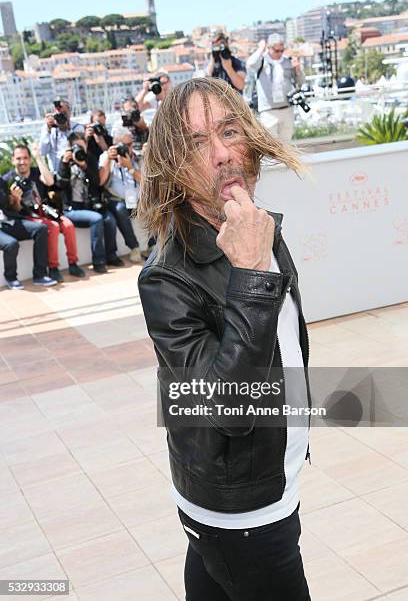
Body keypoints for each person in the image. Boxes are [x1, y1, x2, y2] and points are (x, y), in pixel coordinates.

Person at [137, 77, 311, 601]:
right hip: (242, 508)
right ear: (173, 165)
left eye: (230, 131)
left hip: (262, 472)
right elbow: (228, 408)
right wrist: (252, 273)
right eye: (195, 143)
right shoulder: (166, 277)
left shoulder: (254, 227)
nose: (221, 155)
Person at [2, 144, 84, 283]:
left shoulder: (36, 172)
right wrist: (16, 199)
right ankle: (53, 268)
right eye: (19, 158)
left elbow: (50, 181)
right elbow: (14, 210)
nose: (22, 162)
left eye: (26, 158)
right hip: (27, 216)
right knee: (53, 227)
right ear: (13, 160)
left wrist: (38, 158)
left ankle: (73, 263)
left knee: (68, 225)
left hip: (47, 211)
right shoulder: (7, 179)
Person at [57, 132, 120, 273]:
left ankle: (111, 255)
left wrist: (84, 166)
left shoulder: (89, 159)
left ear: (86, 145)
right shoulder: (65, 161)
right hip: (72, 209)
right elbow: (60, 184)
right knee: (97, 219)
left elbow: (96, 182)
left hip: (90, 206)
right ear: (70, 147)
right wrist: (65, 163)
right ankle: (98, 261)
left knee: (109, 220)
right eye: (76, 147)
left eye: (82, 146)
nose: (79, 150)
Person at [247, 34, 305, 142]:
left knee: (286, 147)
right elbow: (250, 63)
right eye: (276, 50)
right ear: (269, 48)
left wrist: (297, 69)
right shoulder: (261, 61)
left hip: (287, 108)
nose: (280, 53)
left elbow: (300, 82)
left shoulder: (288, 61)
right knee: (271, 147)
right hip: (268, 111)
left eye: (282, 50)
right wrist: (260, 48)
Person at [0, 179, 56, 290]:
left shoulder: (2, 182)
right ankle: (11, 278)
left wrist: (16, 199)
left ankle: (40, 275)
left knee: (41, 229)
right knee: (11, 244)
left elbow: (12, 208)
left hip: (7, 221)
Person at [99, 132, 145, 263]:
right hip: (117, 200)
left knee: (154, 205)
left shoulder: (137, 157)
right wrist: (108, 159)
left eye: (130, 144)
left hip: (138, 199)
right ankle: (134, 247)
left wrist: (130, 167)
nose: (128, 148)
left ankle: (153, 245)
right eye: (124, 145)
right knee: (120, 209)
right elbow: (101, 181)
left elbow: (146, 181)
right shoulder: (106, 157)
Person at [40, 98, 84, 173]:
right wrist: (48, 130)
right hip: (56, 172)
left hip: (74, 172)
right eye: (58, 114)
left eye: (64, 113)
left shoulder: (77, 127)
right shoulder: (49, 128)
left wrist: (67, 129)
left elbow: (80, 148)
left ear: (69, 112)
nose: (61, 117)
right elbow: (43, 151)